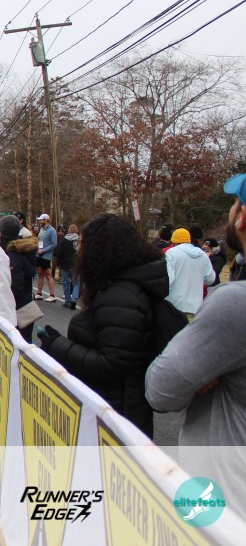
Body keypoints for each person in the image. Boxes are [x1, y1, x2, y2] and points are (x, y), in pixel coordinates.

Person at [146, 173, 246, 502]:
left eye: (234, 202)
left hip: (226, 499)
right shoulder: (202, 256)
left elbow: (160, 389)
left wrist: (196, 372)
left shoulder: (234, 304)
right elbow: (210, 278)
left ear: (242, 217)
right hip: (198, 308)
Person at [37, 213, 162, 437]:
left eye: (82, 244)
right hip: (110, 409)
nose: (79, 251)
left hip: (116, 416)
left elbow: (111, 364)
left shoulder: (121, 297)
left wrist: (57, 345)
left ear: (100, 250)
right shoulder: (115, 288)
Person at [0, 215, 39, 343]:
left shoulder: (14, 256)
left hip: (18, 309)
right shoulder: (23, 251)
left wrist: (3, 302)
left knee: (19, 344)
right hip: (25, 305)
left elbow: (16, 286)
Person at [164, 227, 215, 318]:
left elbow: (169, 279)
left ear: (174, 241)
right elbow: (210, 279)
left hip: (175, 306)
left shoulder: (171, 253)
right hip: (196, 307)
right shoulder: (203, 255)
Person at [55, 224, 80, 309]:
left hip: (65, 264)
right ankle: (74, 298)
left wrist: (60, 262)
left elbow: (59, 253)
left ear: (69, 230)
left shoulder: (64, 241)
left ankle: (68, 301)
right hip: (76, 265)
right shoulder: (78, 241)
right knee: (76, 283)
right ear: (76, 231)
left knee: (66, 283)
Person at [34, 213, 58, 302]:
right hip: (39, 254)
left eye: (41, 220)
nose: (40, 221)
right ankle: (39, 293)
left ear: (46, 220)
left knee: (48, 274)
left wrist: (43, 250)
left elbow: (54, 244)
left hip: (46, 256)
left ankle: (52, 295)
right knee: (40, 273)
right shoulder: (41, 229)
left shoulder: (52, 230)